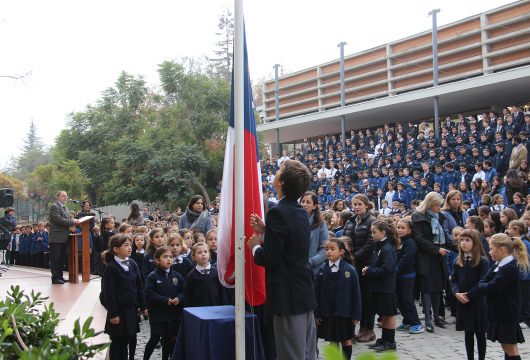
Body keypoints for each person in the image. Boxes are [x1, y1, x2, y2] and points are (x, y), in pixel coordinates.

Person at [248, 159, 317, 360]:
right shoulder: (298, 211)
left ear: (282, 182)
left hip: (287, 297)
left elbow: (270, 258)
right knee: (307, 353)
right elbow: (291, 243)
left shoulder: (278, 212)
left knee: (290, 355)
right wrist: (268, 231)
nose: (276, 173)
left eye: (280, 171)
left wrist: (255, 248)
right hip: (302, 292)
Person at [466, 233, 529, 360]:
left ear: (501, 249)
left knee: (510, 348)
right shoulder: (498, 265)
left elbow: (492, 287)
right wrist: (477, 289)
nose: (489, 252)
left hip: (507, 313)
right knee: (506, 346)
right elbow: (484, 280)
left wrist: (482, 286)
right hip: (499, 312)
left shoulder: (509, 268)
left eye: (491, 248)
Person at [411, 192, 456, 333]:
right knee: (427, 290)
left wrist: (458, 247)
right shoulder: (417, 217)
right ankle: (428, 319)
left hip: (437, 257)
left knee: (437, 289)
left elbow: (445, 237)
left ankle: (437, 317)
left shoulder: (439, 217)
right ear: (430, 204)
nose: (439, 207)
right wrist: (437, 249)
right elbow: (419, 239)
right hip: (425, 257)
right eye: (437, 205)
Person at [101, 234, 147, 360]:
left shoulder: (132, 264)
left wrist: (143, 306)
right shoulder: (111, 268)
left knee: (130, 338)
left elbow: (139, 286)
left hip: (131, 310)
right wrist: (113, 313)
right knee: (117, 342)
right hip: (118, 312)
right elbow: (108, 293)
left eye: (129, 245)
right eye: (126, 245)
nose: (130, 248)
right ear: (116, 249)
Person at [315, 238, 361, 360]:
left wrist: (356, 315)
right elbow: (317, 293)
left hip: (344, 313)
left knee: (346, 340)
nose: (328, 252)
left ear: (341, 251)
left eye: (332, 249)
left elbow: (356, 294)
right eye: (326, 249)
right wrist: (317, 313)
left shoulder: (350, 270)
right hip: (328, 313)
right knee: (332, 341)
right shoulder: (322, 270)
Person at [451, 229, 489, 360]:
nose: (463, 243)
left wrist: (468, 295)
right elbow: (454, 279)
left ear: (476, 243)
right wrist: (456, 293)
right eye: (462, 240)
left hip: (477, 302)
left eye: (467, 240)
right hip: (463, 302)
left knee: (480, 334)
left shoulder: (482, 261)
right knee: (468, 333)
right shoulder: (458, 260)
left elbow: (482, 282)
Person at [362, 220, 399, 352]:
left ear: (383, 232)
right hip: (378, 286)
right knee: (383, 314)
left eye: (374, 232)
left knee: (388, 314)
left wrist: (370, 271)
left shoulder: (387, 248)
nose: (372, 235)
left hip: (385, 286)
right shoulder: (379, 246)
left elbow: (387, 269)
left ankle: (390, 341)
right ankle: (384, 339)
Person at [143, 246, 185, 360]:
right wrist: (165, 300)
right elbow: (149, 293)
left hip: (173, 313)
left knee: (169, 338)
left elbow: (184, 290)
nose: (169, 259)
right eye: (165, 257)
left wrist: (179, 298)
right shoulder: (152, 276)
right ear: (157, 260)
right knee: (155, 337)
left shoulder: (177, 276)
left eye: (171, 257)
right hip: (158, 314)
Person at [395, 218, 423, 334]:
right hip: (397, 275)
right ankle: (407, 320)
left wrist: (396, 269)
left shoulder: (410, 242)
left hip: (407, 275)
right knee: (399, 300)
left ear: (409, 230)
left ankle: (416, 323)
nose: (400, 230)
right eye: (398, 227)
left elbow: (407, 258)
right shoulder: (397, 241)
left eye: (403, 228)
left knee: (407, 299)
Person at [48, 191, 80, 284]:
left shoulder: (66, 208)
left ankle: (60, 276)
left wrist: (76, 220)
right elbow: (58, 219)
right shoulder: (54, 206)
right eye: (63, 196)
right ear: (57, 197)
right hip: (56, 237)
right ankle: (55, 278)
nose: (65, 198)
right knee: (56, 259)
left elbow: (69, 219)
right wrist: (72, 222)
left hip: (64, 237)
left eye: (66, 196)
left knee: (62, 258)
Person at [505, 220, 530, 329]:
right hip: (519, 275)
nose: (507, 230)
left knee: (524, 298)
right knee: (519, 297)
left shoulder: (525, 243)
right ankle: (520, 317)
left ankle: (526, 319)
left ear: (517, 230)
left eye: (509, 228)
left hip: (525, 275)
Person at [184, 242, 224, 307]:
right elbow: (188, 296)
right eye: (199, 252)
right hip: (198, 310)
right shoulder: (191, 275)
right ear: (194, 257)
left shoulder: (216, 272)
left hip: (216, 309)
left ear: (209, 254)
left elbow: (222, 293)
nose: (203, 254)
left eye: (205, 252)